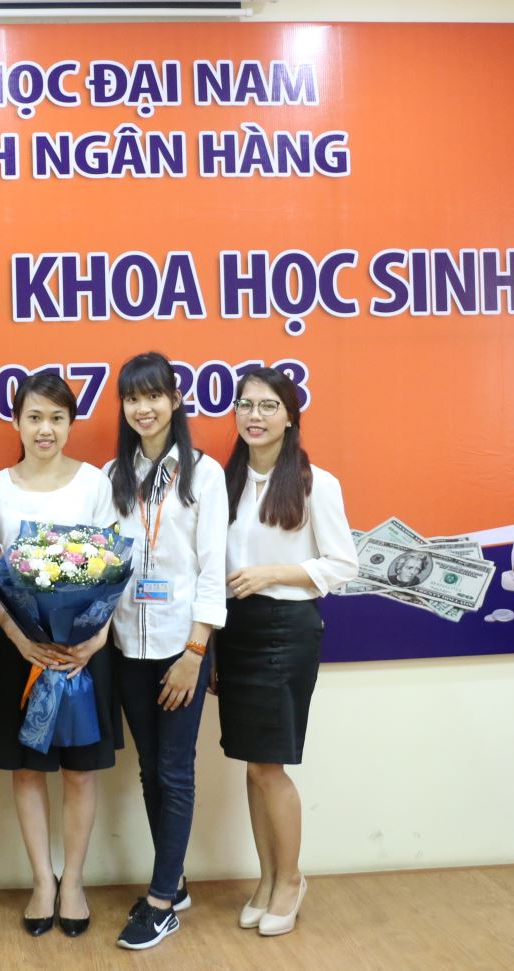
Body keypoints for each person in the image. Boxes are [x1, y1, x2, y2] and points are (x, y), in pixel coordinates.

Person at [0, 371, 121, 939]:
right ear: (16, 421)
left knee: (81, 773)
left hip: (84, 649)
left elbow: (112, 565)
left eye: (57, 418)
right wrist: (19, 638)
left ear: (70, 423)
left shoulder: (94, 483)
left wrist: (96, 637)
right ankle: (42, 879)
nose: (45, 429)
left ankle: (74, 882)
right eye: (34, 417)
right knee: (28, 770)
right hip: (22, 648)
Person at [218, 367, 356, 938]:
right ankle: (268, 877)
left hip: (285, 629)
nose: (255, 416)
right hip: (235, 629)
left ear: (290, 416)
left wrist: (273, 572)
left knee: (269, 765)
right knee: (252, 763)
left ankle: (292, 879)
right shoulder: (222, 481)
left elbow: (344, 565)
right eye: (246, 405)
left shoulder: (314, 483)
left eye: (268, 406)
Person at [103, 352, 227, 951]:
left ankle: (159, 904)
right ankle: (171, 883)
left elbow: (212, 570)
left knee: (175, 769)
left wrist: (195, 652)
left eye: (153, 395)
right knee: (150, 767)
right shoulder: (113, 475)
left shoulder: (204, 475)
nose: (143, 408)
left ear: (175, 400)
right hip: (129, 645)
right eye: (132, 398)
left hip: (183, 646)